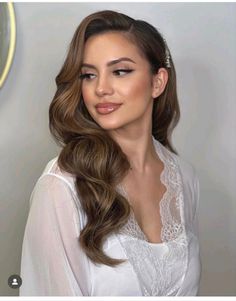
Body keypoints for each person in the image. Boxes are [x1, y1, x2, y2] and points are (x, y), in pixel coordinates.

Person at [20, 10, 201, 296]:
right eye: (89, 75)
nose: (100, 89)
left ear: (157, 82)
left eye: (120, 71)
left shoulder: (184, 177)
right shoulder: (62, 187)